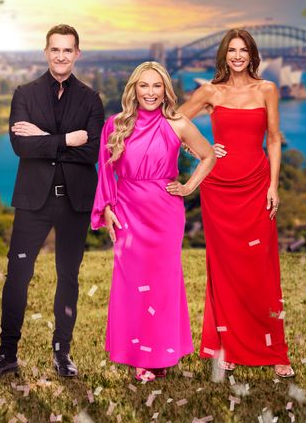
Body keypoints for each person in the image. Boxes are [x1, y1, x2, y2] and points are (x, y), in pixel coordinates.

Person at [0, 24, 104, 379]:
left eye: (68, 50)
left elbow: (92, 150)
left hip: (74, 202)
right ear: (46, 52)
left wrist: (45, 139)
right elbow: (21, 146)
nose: (61, 56)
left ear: (77, 53)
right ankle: (6, 354)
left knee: (68, 277)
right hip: (33, 200)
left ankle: (62, 353)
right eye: (55, 50)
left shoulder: (91, 99)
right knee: (17, 275)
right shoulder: (25, 94)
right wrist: (67, 139)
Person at [178, 28, 294, 378]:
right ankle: (226, 346)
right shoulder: (211, 91)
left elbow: (273, 139)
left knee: (262, 269)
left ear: (252, 55)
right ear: (224, 55)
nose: (238, 56)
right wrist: (203, 149)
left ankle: (276, 352)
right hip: (219, 187)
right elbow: (176, 122)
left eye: (243, 50)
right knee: (225, 269)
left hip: (257, 185)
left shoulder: (267, 90)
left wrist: (274, 185)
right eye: (232, 50)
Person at [92, 61, 215, 382]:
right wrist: (106, 207)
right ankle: (136, 355)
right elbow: (105, 169)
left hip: (165, 213)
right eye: (143, 85)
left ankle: (158, 356)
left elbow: (208, 156)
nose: (150, 92)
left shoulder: (177, 123)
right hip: (127, 209)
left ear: (165, 91)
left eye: (156, 86)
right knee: (131, 283)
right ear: (133, 89)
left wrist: (189, 187)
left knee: (161, 285)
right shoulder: (115, 124)